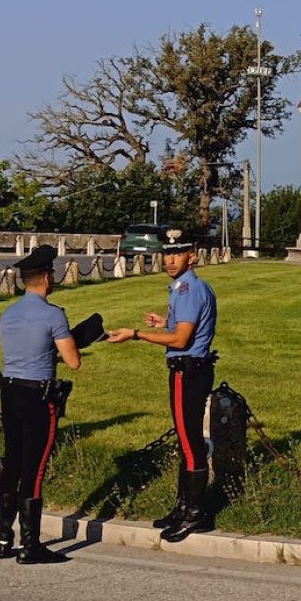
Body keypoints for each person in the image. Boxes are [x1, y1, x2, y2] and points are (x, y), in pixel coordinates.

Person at [107, 229, 217, 542]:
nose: (169, 260)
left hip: (189, 371)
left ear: (191, 257)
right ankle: (183, 507)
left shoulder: (189, 290)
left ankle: (195, 514)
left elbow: (182, 339)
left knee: (189, 440)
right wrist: (163, 324)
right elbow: (181, 329)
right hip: (188, 369)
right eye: (166, 254)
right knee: (185, 439)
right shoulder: (181, 288)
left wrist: (137, 333)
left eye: (177, 254)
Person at [0, 245, 80, 564]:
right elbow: (73, 362)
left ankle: (4, 539)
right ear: (46, 277)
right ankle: (31, 545)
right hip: (37, 396)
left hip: (10, 391)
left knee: (13, 463)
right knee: (35, 467)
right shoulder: (53, 314)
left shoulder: (9, 313)